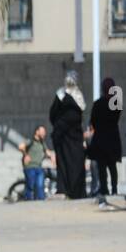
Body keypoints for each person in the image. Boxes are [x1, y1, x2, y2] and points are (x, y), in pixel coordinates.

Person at [48, 70, 87, 199]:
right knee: (74, 163)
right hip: (73, 137)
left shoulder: (61, 94)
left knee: (64, 164)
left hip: (63, 135)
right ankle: (76, 192)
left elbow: (52, 114)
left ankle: (65, 189)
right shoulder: (78, 96)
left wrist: (59, 125)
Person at [87, 77, 123, 208]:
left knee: (105, 166)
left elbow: (93, 121)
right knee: (109, 166)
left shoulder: (99, 104)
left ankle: (107, 189)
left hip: (102, 139)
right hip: (110, 139)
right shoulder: (113, 103)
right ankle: (111, 189)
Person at [19, 124, 55, 201]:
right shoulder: (31, 141)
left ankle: (40, 202)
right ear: (37, 132)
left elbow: (47, 152)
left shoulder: (42, 143)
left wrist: (52, 158)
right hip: (30, 167)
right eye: (42, 131)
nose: (44, 133)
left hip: (39, 167)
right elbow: (21, 146)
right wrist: (26, 155)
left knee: (40, 185)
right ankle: (29, 201)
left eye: (44, 132)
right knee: (30, 185)